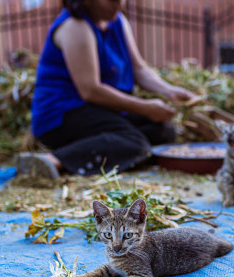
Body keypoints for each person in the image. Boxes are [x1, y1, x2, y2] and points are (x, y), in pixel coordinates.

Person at [20, 0, 196, 179]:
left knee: (162, 130)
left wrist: (170, 91)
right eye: (112, 0)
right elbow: (90, 90)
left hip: (101, 110)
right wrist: (146, 107)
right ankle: (52, 160)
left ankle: (100, 147)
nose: (120, 5)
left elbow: (139, 69)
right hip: (62, 115)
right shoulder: (75, 27)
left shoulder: (118, 22)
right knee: (134, 143)